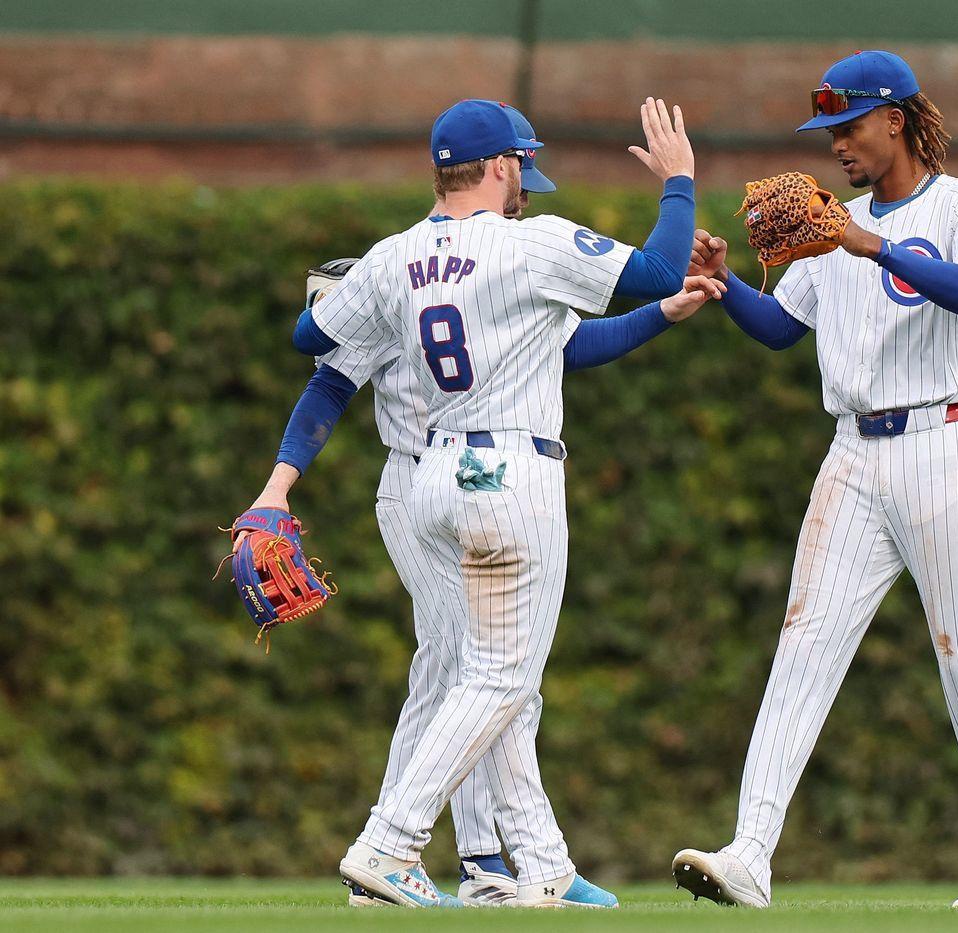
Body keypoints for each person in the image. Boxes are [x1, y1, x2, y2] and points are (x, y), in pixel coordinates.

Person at [242, 96, 720, 907]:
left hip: (434, 475)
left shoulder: (391, 258)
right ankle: (392, 844)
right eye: (521, 169)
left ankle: (532, 865)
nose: (524, 183)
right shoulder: (525, 242)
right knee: (496, 677)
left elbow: (308, 340)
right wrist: (679, 183)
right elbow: (656, 265)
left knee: (480, 672)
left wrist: (349, 293)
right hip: (508, 475)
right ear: (501, 167)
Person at [671, 50, 958, 910]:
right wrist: (724, 284)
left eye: (850, 125)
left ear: (897, 120)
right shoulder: (833, 228)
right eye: (828, 130)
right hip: (854, 452)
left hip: (946, 442)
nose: (836, 142)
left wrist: (864, 241)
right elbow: (780, 330)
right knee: (802, 644)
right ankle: (750, 853)